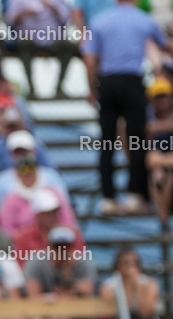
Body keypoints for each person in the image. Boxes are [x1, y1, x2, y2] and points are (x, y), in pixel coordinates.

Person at [81, 0, 168, 215]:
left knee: (107, 142)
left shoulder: (99, 21)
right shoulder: (144, 20)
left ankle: (108, 197)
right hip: (132, 81)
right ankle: (135, 194)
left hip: (108, 82)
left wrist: (91, 88)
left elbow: (90, 59)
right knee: (137, 139)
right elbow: (164, 45)